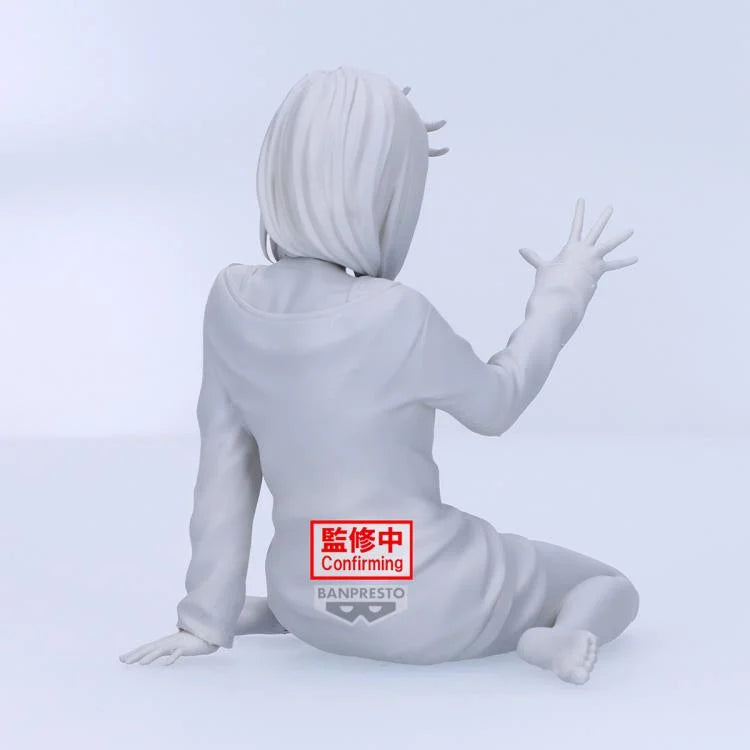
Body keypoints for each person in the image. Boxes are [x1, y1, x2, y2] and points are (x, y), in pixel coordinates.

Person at [120, 67, 639, 685]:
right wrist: (563, 291)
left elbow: (223, 471)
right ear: (386, 194)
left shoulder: (229, 300)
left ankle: (254, 614)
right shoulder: (396, 313)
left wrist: (203, 619)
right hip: (433, 605)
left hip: (306, 599)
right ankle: (552, 637)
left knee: (328, 569)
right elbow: (496, 406)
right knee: (608, 585)